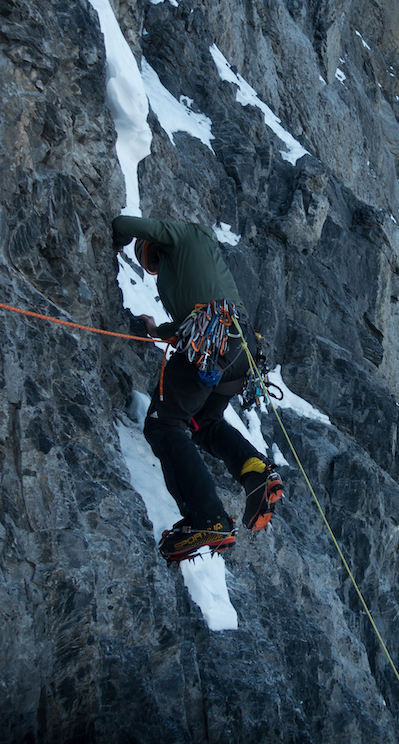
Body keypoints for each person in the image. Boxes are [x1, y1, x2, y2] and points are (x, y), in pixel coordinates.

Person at [112, 215, 283, 562]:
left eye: (153, 260)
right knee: (204, 423)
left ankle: (208, 519)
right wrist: (157, 329)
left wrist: (115, 236)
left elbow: (131, 224)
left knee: (165, 425)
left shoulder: (181, 233)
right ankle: (256, 471)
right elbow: (187, 322)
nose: (156, 267)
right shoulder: (195, 264)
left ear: (156, 248)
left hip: (213, 339)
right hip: (240, 349)